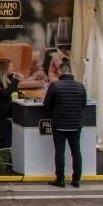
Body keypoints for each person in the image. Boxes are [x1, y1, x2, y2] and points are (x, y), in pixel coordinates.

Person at [41, 61, 89, 189]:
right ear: (71, 72)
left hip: (59, 124)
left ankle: (60, 180)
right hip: (75, 124)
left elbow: (46, 104)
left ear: (60, 72)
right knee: (76, 152)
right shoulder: (80, 86)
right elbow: (83, 104)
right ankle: (76, 180)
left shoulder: (55, 86)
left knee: (60, 152)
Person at [0, 58, 20, 149]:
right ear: (5, 68)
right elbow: (5, 94)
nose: (13, 68)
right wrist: (14, 82)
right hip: (2, 112)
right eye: (11, 66)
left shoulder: (9, 79)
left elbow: (13, 93)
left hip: (11, 110)